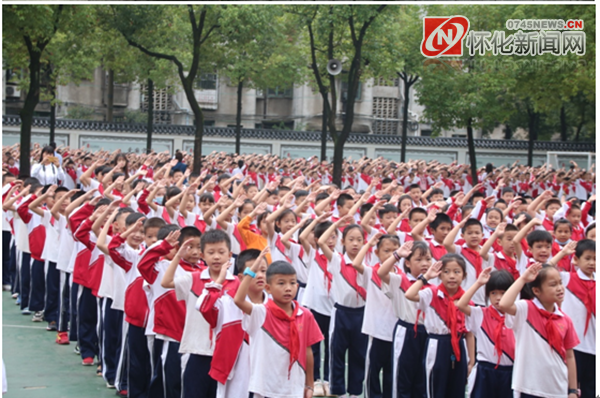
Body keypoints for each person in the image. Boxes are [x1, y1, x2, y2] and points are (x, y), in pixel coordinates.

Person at [161, 228, 237, 398]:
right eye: (211, 252)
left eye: (221, 252)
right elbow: (166, 282)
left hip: (225, 352)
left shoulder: (236, 283)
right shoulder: (194, 278)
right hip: (197, 349)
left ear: (230, 254)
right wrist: (178, 256)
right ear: (202, 255)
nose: (216, 257)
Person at [234, 259, 323, 398]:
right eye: (281, 283)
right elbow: (238, 300)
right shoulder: (261, 313)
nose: (288, 288)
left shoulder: (305, 315)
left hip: (294, 388)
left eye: (292, 283)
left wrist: (309, 384)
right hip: (264, 388)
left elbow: (308, 352)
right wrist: (251, 271)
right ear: (268, 288)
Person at [498, 263, 580, 398]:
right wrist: (523, 279)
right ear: (536, 291)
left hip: (558, 388)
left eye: (560, 283)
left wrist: (573, 390)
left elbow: (570, 356)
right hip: (529, 388)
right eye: (553, 285)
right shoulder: (526, 309)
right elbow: (504, 304)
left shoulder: (565, 319)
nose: (560, 288)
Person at [197, 248, 269, 398]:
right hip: (234, 374)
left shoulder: (275, 305)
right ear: (242, 277)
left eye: (264, 270)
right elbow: (202, 306)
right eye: (254, 270)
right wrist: (218, 282)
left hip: (267, 374)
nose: (260, 275)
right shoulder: (227, 303)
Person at [405, 254, 474, 398]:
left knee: (457, 389)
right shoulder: (432, 293)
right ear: (440, 275)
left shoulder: (465, 299)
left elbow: (469, 333)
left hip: (459, 345)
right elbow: (410, 295)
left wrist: (471, 360)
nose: (452, 276)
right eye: (446, 272)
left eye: (457, 272)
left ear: (464, 275)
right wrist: (426, 277)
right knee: (435, 388)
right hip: (437, 344)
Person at [456, 268, 515, 398]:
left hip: (510, 371)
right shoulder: (481, 313)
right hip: (485, 371)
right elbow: (461, 304)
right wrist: (479, 283)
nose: (498, 298)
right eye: (493, 293)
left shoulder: (517, 315)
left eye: (503, 293)